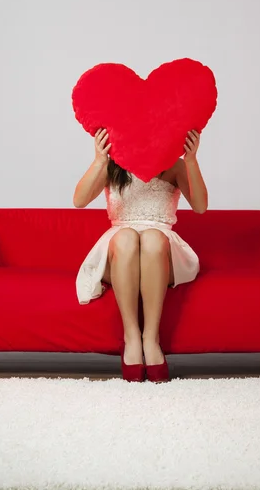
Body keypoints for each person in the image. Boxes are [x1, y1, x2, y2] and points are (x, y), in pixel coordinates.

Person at [73, 128, 208, 383]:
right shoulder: (113, 165)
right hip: (120, 252)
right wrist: (100, 160)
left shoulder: (175, 166)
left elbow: (200, 206)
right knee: (127, 236)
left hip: (160, 250)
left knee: (151, 237)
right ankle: (131, 337)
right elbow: (79, 200)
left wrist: (191, 160)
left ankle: (151, 338)